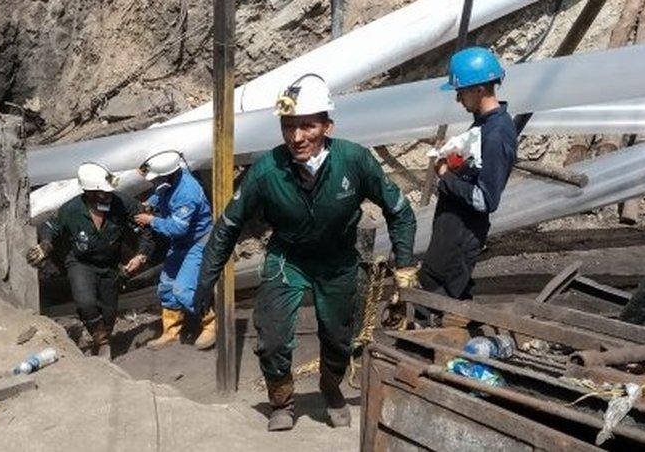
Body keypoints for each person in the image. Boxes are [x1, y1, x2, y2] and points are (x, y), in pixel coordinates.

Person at [193, 74, 418, 432]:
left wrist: (404, 266)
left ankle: (331, 388)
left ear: (327, 125)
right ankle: (281, 401)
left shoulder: (355, 161)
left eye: (308, 126)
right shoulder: (267, 171)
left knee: (339, 337)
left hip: (338, 261)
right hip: (289, 259)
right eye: (288, 126)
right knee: (272, 337)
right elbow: (228, 226)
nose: (297, 137)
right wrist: (206, 277)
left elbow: (400, 211)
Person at [420, 46, 517, 301]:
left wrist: (444, 175)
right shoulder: (484, 125)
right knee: (440, 287)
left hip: (463, 233)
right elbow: (475, 170)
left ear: (479, 89)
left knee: (436, 293)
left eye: (460, 91)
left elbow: (485, 200)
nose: (458, 98)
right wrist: (455, 159)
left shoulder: (497, 135)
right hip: (453, 228)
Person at [27, 162, 153, 359]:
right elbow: (49, 226)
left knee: (109, 313)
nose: (108, 195)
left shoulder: (122, 203)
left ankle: (103, 337)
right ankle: (101, 339)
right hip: (80, 262)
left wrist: (141, 255)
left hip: (109, 264)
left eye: (109, 191)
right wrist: (46, 245)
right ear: (89, 192)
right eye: (103, 192)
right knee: (85, 303)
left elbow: (147, 227)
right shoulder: (71, 209)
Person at [134, 150, 215, 350]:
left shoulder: (188, 191)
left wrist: (152, 220)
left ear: (168, 174)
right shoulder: (171, 179)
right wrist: (150, 204)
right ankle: (171, 331)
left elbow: (178, 228)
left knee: (183, 290)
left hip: (198, 242)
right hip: (181, 243)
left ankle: (211, 323)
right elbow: (160, 192)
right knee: (167, 287)